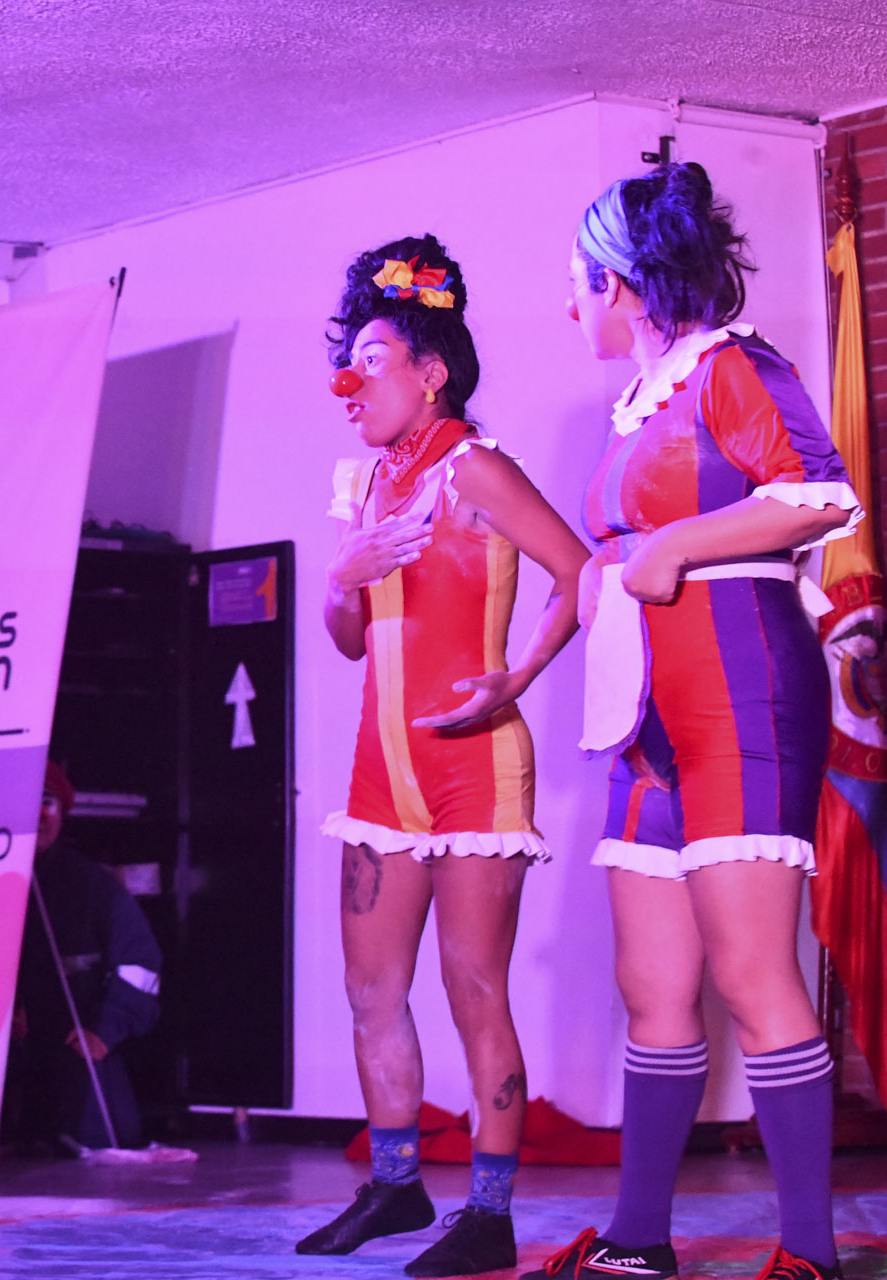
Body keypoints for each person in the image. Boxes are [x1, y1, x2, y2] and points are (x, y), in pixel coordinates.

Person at [527, 163, 861, 1280]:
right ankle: (639, 1239)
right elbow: (618, 557)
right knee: (653, 988)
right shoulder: (636, 407)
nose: (568, 303)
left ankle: (808, 1253)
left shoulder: (734, 366)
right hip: (645, 723)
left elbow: (819, 492)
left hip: (742, 697)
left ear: (619, 286)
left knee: (755, 975)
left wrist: (673, 545)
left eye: (577, 282)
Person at [298, 236, 590, 1276]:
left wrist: (519, 677)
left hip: (475, 765)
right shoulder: (366, 484)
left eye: (371, 362)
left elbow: (579, 572)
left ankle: (491, 1211)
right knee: (370, 987)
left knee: (474, 985)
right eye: (347, 364)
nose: (351, 384)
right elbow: (347, 639)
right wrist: (340, 575)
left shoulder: (477, 468)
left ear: (430, 372)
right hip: (381, 772)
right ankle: (395, 1184)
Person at [4, 760, 164, 1151]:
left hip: (73, 1048)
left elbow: (141, 964)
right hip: (1, 1058)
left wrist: (104, 1030)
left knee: (108, 1139)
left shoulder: (93, 886)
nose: (38, 814)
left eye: (47, 802)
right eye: (26, 801)